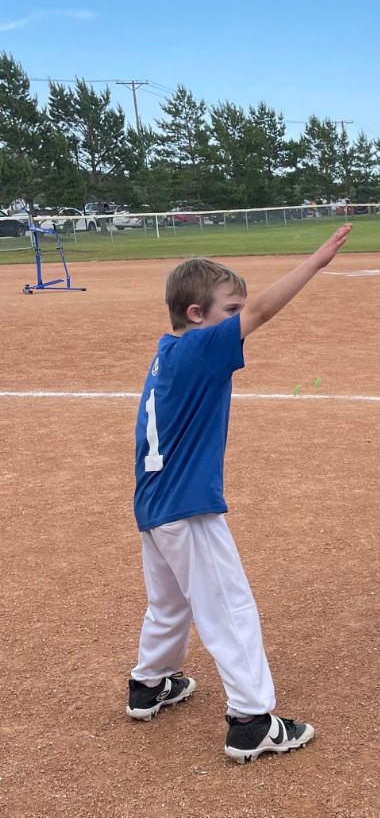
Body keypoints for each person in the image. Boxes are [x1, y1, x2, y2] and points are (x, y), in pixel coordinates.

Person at [127, 226, 352, 761]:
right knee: (228, 607)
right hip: (188, 507)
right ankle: (251, 720)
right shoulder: (202, 347)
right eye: (230, 310)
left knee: (170, 603)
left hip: (155, 507)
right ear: (196, 314)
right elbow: (264, 312)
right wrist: (314, 262)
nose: (239, 318)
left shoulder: (168, 352)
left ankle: (149, 683)